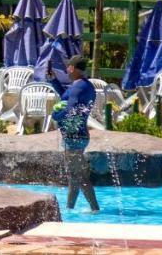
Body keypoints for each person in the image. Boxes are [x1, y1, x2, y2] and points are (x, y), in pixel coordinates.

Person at [49, 54, 100, 213]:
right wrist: (54, 81)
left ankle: (90, 209)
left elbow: (69, 110)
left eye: (68, 67)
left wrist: (55, 116)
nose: (66, 69)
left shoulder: (77, 87)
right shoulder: (85, 85)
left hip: (73, 138)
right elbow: (68, 97)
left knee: (77, 176)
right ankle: (71, 209)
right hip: (81, 134)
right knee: (76, 175)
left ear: (72, 68)